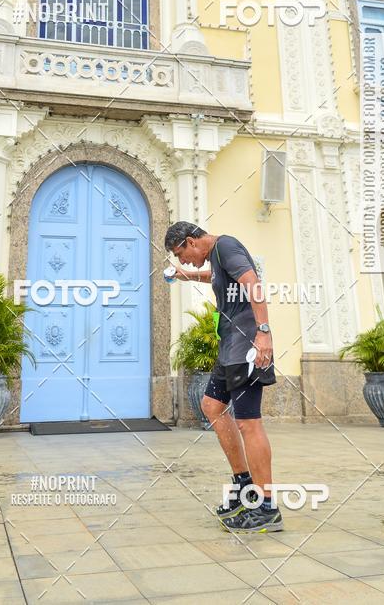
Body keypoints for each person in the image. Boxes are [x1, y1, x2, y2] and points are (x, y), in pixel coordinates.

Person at [164, 220, 283, 532]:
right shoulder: (215, 256)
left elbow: (252, 283)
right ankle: (245, 486)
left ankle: (267, 506)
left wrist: (264, 334)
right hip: (230, 345)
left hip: (248, 344)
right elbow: (216, 278)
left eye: (181, 254)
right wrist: (187, 275)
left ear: (191, 241)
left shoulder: (226, 245)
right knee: (212, 405)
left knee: (248, 421)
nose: (183, 260)